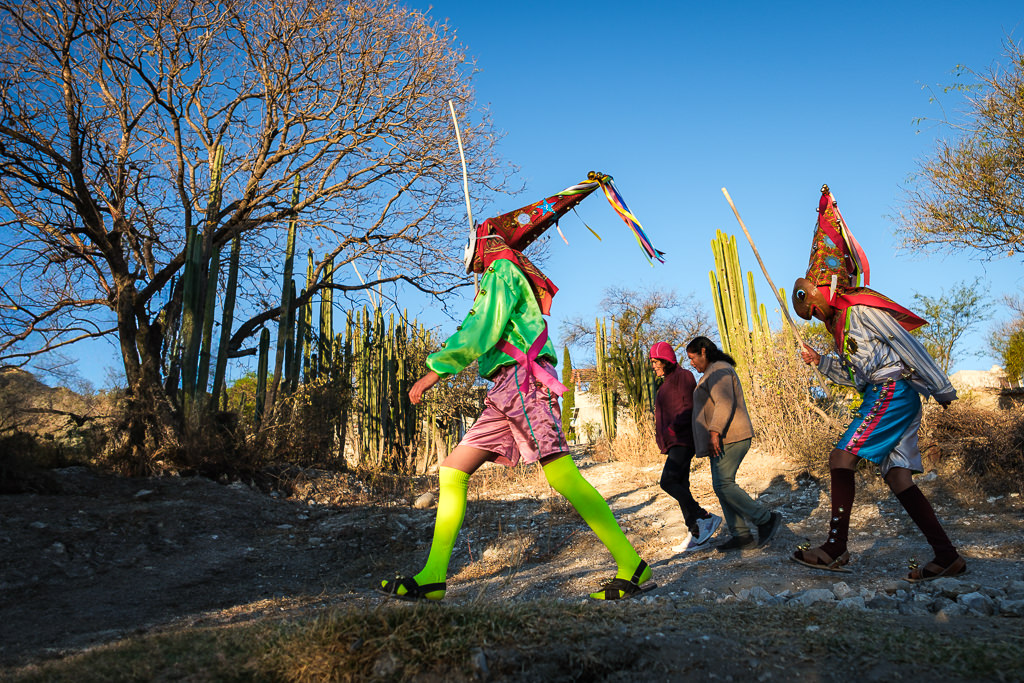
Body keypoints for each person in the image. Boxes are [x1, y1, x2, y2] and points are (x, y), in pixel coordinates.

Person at [379, 175, 655, 601]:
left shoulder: (503, 270)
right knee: (453, 470)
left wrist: (433, 371)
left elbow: (479, 331)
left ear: (486, 243)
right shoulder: (503, 273)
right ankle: (433, 576)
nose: (471, 261)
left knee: (561, 473)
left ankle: (630, 564)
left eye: (473, 251)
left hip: (524, 384)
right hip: (505, 390)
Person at [789, 185, 965, 581]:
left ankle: (835, 548)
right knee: (898, 476)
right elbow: (856, 376)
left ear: (828, 290)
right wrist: (820, 362)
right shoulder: (840, 326)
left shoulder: (863, 309)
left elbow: (905, 344)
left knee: (840, 458)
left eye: (813, 301)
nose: (812, 309)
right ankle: (947, 555)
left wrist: (942, 387)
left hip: (893, 393)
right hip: (881, 393)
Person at [685, 336, 782, 552]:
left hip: (730, 437)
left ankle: (765, 519)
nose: (691, 363)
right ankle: (741, 535)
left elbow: (724, 402)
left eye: (692, 358)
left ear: (703, 351)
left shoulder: (719, 369)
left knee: (724, 485)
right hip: (721, 440)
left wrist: (714, 432)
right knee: (721, 487)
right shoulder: (713, 372)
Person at [650, 341, 722, 552]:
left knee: (668, 481)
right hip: (674, 442)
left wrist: (671, 430)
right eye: (652, 362)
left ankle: (704, 517)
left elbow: (689, 407)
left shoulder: (683, 377)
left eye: (656, 362)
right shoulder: (665, 383)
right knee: (681, 484)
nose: (653, 366)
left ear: (666, 361)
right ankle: (696, 533)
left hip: (683, 439)